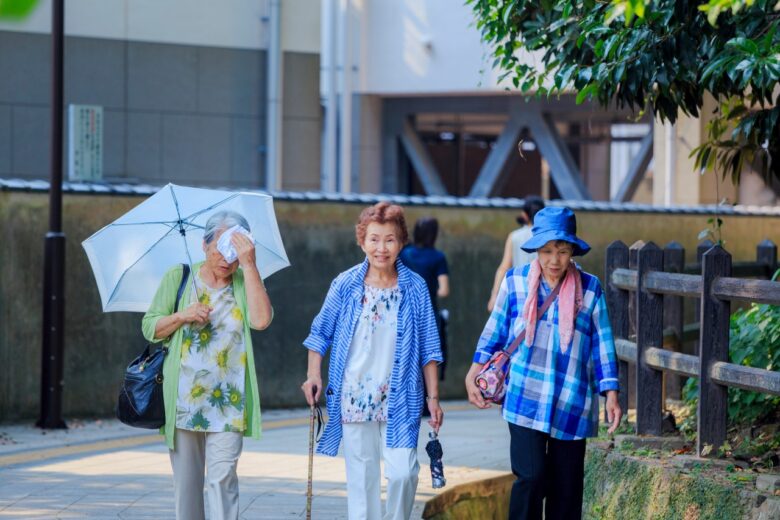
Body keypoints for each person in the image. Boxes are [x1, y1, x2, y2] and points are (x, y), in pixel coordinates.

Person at [465, 206, 622, 520]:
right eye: (548, 251)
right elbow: (494, 332)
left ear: (572, 251)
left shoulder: (590, 288)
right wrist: (473, 373)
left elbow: (602, 342)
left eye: (563, 251)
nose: (554, 260)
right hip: (525, 396)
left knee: (566, 489)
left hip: (572, 401)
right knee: (531, 478)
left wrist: (612, 395)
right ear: (536, 248)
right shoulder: (514, 282)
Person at [301, 201, 444, 520]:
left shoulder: (416, 288)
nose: (382, 248)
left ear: (402, 242)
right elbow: (320, 332)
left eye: (390, 239)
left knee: (403, 474)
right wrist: (314, 376)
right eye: (374, 239)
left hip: (402, 398)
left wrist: (433, 398)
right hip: (354, 394)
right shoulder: (345, 284)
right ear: (362, 241)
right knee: (363, 483)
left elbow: (429, 347)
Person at [142, 210, 273, 520]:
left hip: (229, 401)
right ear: (204, 245)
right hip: (185, 400)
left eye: (236, 251)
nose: (227, 259)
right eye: (221, 249)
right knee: (187, 487)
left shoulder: (244, 279)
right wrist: (182, 316)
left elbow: (261, 320)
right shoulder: (180, 276)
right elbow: (150, 327)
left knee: (223, 480)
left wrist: (251, 264)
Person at [399, 217, 450, 380]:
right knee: (429, 357)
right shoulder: (438, 257)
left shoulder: (404, 254)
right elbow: (444, 290)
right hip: (428, 313)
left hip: (404, 312)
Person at [487, 196, 545, 312]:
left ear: (525, 215)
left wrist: (494, 296)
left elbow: (504, 267)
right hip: (543, 291)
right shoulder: (547, 237)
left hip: (519, 290)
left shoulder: (514, 236)